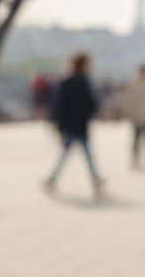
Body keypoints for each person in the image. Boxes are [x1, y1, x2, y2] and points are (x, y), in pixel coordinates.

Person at [44, 51, 104, 198]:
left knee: (66, 154)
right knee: (85, 154)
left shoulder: (66, 81)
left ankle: (52, 178)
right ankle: (95, 180)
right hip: (80, 124)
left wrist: (56, 123)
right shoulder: (85, 81)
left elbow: (57, 105)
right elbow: (91, 104)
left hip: (69, 124)